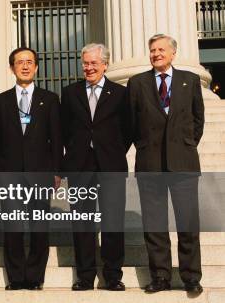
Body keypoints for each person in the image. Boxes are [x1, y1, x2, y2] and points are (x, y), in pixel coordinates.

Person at [127, 34, 204, 294]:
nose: (156, 53)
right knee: (154, 224)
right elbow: (131, 123)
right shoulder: (137, 83)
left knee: (188, 223)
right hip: (150, 164)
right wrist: (144, 146)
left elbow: (197, 120)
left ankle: (191, 276)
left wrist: (185, 144)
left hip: (183, 163)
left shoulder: (189, 81)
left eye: (161, 49)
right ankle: (160, 276)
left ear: (173, 53)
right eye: (152, 50)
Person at [0, 47, 62, 290]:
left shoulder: (50, 99)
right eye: (20, 62)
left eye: (30, 62)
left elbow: (57, 138)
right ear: (12, 68)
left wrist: (57, 172)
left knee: (39, 227)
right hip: (9, 174)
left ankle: (35, 277)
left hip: (41, 174)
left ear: (36, 67)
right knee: (13, 227)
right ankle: (16, 278)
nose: (25, 66)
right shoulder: (0, 101)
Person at [60, 43, 129, 291]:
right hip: (80, 166)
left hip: (111, 165)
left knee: (113, 221)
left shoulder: (120, 93)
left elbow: (128, 129)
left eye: (93, 63)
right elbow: (64, 130)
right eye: (85, 63)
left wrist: (112, 149)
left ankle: (112, 276)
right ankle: (85, 276)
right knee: (82, 222)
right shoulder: (69, 93)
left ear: (105, 64)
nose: (88, 68)